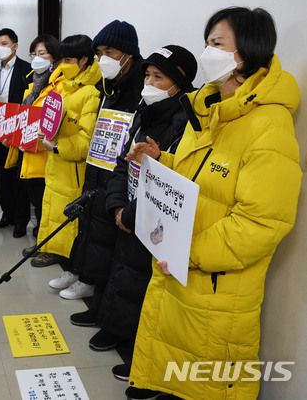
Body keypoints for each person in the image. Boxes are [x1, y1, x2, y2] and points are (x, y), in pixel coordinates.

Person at [125, 7, 301, 400]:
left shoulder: (269, 124)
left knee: (208, 386)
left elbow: (261, 223)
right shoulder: (207, 110)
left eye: (217, 43)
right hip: (182, 273)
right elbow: (201, 180)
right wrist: (161, 160)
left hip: (217, 289)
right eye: (207, 41)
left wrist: (187, 250)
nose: (207, 51)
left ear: (247, 53)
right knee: (177, 380)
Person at [90, 46, 197, 381]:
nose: (148, 82)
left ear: (178, 82)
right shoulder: (144, 111)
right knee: (123, 268)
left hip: (153, 218)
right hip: (131, 210)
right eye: (147, 75)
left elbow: (171, 180)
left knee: (142, 279)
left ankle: (138, 346)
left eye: (158, 77)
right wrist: (119, 206)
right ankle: (116, 327)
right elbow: (127, 161)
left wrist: (133, 214)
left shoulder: (186, 123)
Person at [59, 20, 143, 303]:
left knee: (104, 226)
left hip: (119, 167)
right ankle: (79, 269)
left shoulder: (139, 87)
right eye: (99, 53)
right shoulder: (108, 85)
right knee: (89, 216)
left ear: (128, 53)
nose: (103, 59)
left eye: (110, 51)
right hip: (98, 159)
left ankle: (91, 280)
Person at [30, 34, 102, 271]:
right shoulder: (66, 89)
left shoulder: (90, 93)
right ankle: (48, 245)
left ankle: (63, 254)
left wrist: (58, 146)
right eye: (61, 59)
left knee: (66, 213)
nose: (62, 65)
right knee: (51, 203)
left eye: (68, 60)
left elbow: (87, 140)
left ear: (83, 60)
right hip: (56, 163)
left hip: (71, 166)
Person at [5, 34, 60, 239]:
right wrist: (13, 135)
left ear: (54, 56)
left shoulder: (59, 85)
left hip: (45, 154)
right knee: (36, 201)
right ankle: (40, 237)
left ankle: (45, 241)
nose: (36, 58)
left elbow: (52, 123)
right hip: (28, 152)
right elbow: (25, 116)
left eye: (42, 53)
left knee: (45, 202)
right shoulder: (33, 83)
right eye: (33, 54)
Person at [0, 28, 32, 237]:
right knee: (1, 174)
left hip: (18, 123)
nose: (0, 48)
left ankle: (21, 221)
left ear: (15, 45)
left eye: (4, 43)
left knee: (18, 176)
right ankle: (7, 214)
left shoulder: (27, 69)